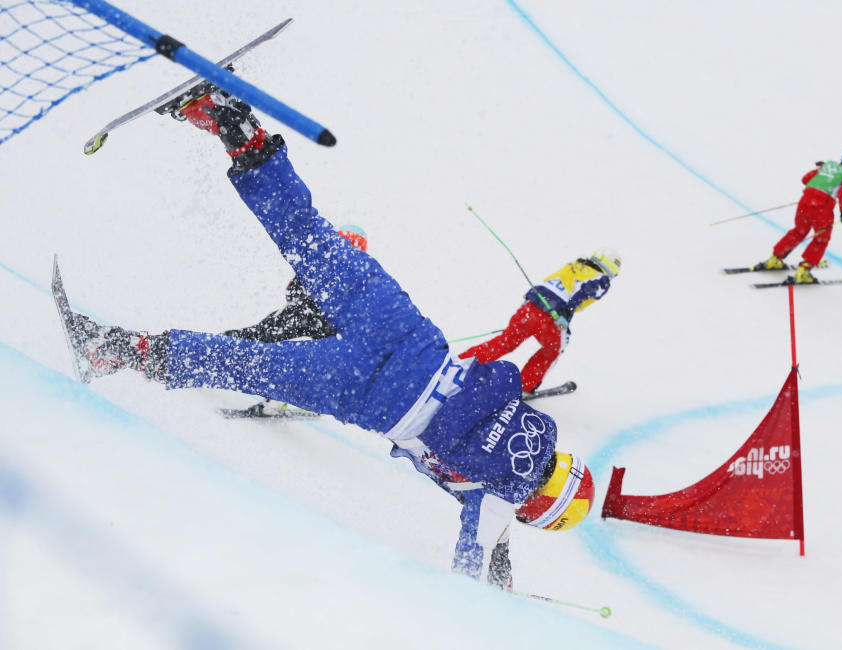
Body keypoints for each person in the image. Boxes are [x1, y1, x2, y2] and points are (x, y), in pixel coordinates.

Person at [56, 84, 595, 588]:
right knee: (242, 364)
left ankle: (231, 122)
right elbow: (471, 564)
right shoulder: (501, 500)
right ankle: (113, 349)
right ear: (536, 511)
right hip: (369, 395)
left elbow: (497, 470)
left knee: (309, 235)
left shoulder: (528, 434)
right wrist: (495, 593)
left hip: (407, 336)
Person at [221, 225, 367, 417]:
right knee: (304, 362)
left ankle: (218, 348)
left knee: (260, 336)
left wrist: (302, 304)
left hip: (301, 314)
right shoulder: (358, 274)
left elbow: (293, 290)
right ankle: (290, 398)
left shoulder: (321, 259)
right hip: (321, 324)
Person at [459, 251, 621, 394]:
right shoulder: (602, 279)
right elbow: (585, 291)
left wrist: (530, 316)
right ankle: (524, 386)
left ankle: (462, 364)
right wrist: (566, 311)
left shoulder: (576, 265)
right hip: (552, 316)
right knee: (554, 349)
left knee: (506, 341)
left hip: (529, 307)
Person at [758, 151, 842, 284]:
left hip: (805, 203)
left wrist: (820, 171)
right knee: (821, 239)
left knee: (799, 231)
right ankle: (804, 271)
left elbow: (805, 179)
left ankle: (774, 259)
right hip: (822, 208)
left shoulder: (827, 166)